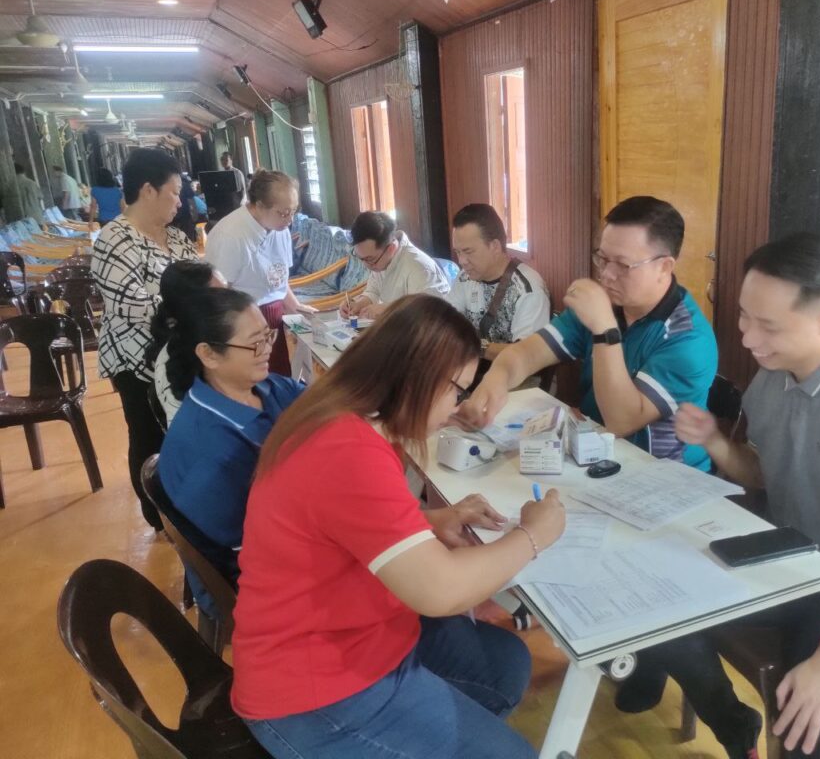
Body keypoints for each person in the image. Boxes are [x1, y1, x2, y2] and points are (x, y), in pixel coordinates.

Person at [616, 233, 820, 759]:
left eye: (768, 325)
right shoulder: (771, 378)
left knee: (816, 735)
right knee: (658, 609)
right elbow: (766, 475)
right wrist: (716, 441)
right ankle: (734, 723)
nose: (747, 337)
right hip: (791, 564)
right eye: (744, 316)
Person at [232, 294, 566, 759]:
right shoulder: (349, 451)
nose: (456, 406)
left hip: (359, 635)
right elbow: (441, 590)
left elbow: (341, 525)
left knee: (503, 665)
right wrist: (532, 536)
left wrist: (430, 522)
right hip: (314, 690)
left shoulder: (342, 418)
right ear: (418, 377)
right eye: (456, 390)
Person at [459, 196, 718, 468]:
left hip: (664, 474)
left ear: (664, 267)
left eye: (623, 265)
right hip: (599, 455)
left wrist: (604, 329)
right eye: (603, 259)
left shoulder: (689, 339)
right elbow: (526, 354)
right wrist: (495, 381)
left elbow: (621, 421)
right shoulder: (608, 303)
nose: (606, 274)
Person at [158, 287, 305, 611]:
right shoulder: (210, 452)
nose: (267, 349)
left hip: (288, 533)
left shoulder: (263, 386)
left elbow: (322, 406)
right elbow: (253, 554)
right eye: (255, 343)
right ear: (209, 354)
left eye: (267, 336)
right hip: (255, 584)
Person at [91, 147, 196, 530]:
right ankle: (158, 518)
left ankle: (186, 507)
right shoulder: (114, 239)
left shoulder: (177, 238)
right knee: (148, 435)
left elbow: (202, 283)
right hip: (135, 359)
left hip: (180, 355)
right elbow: (131, 304)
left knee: (182, 433)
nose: (179, 201)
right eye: (174, 192)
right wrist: (189, 306)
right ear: (148, 190)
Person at [205, 169, 316, 376]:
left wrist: (296, 308)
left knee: (278, 379)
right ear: (259, 205)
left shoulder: (280, 229)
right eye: (283, 213)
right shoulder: (231, 235)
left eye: (293, 211)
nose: (290, 220)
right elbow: (218, 295)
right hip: (243, 324)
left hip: (274, 319)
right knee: (254, 381)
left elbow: (279, 282)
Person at [446, 203, 550, 362]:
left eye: (468, 251)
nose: (461, 261)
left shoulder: (528, 290)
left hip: (512, 375)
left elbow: (526, 354)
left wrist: (474, 346)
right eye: (458, 252)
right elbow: (445, 321)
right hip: (470, 369)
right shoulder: (464, 277)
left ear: (495, 246)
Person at [147, 260, 226, 424]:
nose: (231, 302)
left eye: (228, 292)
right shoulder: (175, 363)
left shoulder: (221, 336)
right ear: (190, 308)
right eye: (219, 297)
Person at [340, 211, 450, 320]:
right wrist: (358, 304)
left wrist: (388, 310)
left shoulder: (419, 267)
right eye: (361, 258)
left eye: (370, 259)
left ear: (391, 248)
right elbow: (374, 291)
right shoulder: (380, 261)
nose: (366, 265)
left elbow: (428, 312)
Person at [170, 171, 198, 241]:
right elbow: (191, 202)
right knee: (188, 236)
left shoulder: (170, 184)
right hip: (186, 215)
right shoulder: (185, 185)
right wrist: (195, 217)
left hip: (174, 216)